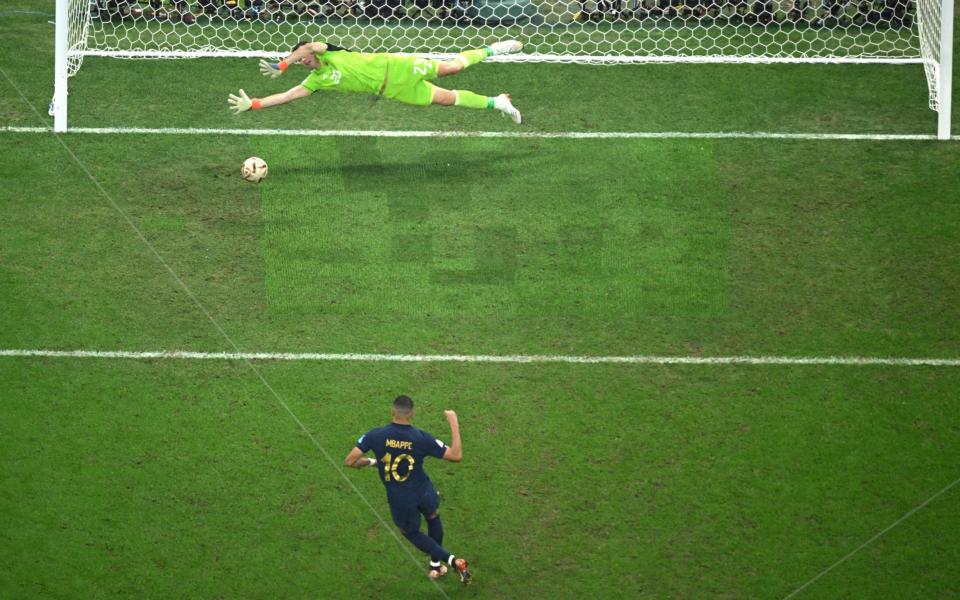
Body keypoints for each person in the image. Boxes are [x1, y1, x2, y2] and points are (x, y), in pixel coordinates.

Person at [228, 39, 523, 123]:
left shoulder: (331, 52)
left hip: (396, 67)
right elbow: (287, 96)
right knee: (446, 99)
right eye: (299, 61)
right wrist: (254, 104)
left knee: (452, 68)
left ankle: (493, 49)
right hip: (393, 89)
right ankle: (497, 102)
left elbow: (309, 47)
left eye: (300, 57)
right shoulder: (317, 79)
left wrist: (283, 64)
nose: (302, 60)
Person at [342, 396, 472, 584]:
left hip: (401, 499)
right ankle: (435, 566)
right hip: (423, 490)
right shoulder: (421, 438)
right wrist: (453, 422)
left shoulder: (375, 435)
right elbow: (456, 455)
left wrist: (371, 462)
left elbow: (349, 461)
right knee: (433, 516)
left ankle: (452, 561)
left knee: (411, 532)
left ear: (392, 411)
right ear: (412, 413)